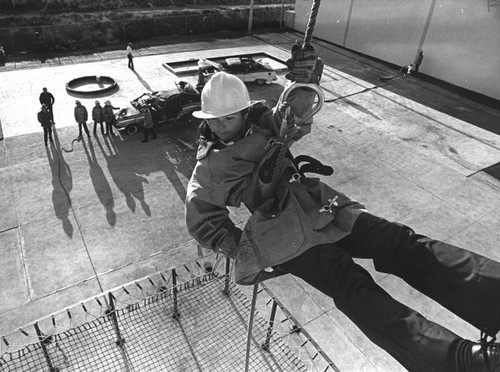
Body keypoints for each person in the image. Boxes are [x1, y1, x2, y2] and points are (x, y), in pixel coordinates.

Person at [184, 46, 500, 372]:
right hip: (281, 232)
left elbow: (292, 116)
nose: (222, 126)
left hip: (320, 204)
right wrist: (248, 251)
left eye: (229, 117)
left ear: (243, 111)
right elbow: (201, 218)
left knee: (398, 241)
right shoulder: (211, 165)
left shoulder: (262, 122)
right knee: (350, 285)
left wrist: (303, 82)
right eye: (216, 120)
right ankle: (459, 359)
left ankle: (493, 293)